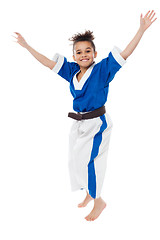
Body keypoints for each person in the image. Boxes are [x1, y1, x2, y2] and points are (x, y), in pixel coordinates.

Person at [13, 10, 157, 221]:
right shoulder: (72, 72)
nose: (83, 55)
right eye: (79, 52)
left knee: (90, 162)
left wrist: (141, 30)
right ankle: (90, 192)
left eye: (87, 51)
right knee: (74, 161)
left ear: (95, 54)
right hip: (79, 123)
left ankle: (99, 201)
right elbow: (46, 62)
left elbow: (125, 53)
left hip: (97, 123)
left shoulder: (103, 70)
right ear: (74, 56)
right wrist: (26, 46)